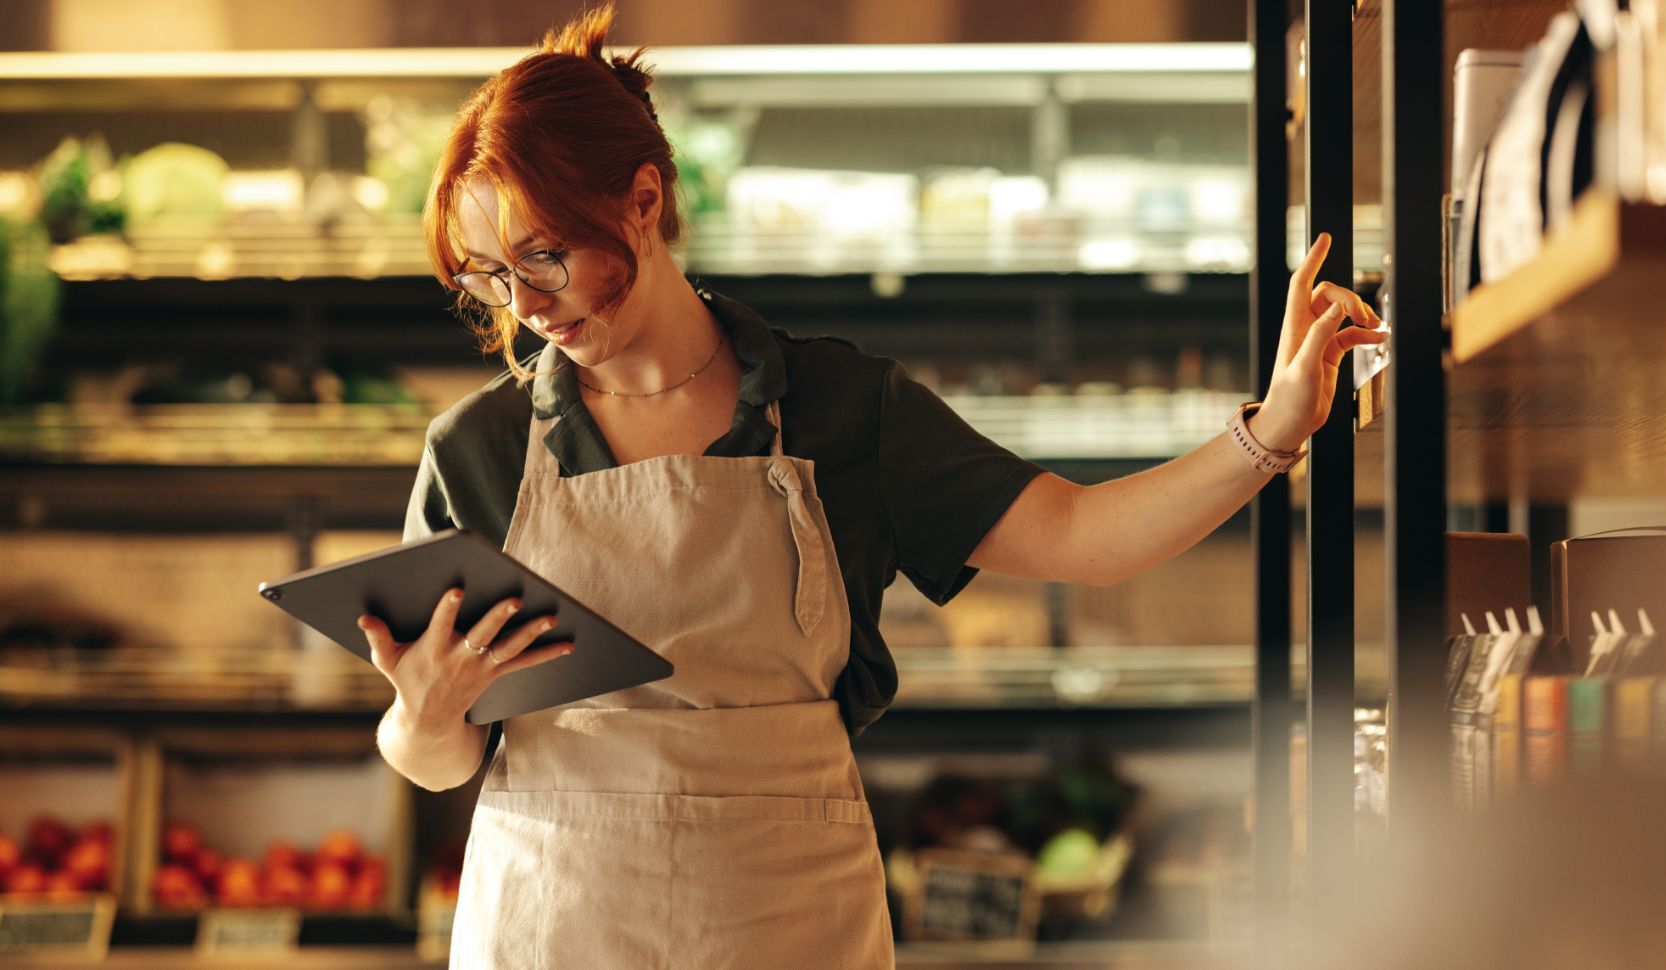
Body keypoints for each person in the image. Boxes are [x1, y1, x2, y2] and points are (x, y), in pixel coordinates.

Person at [357, 5, 1386, 967]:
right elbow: (435, 758)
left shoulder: (844, 409)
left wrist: (1274, 428)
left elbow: (1082, 535)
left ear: (640, 201)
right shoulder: (477, 454)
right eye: (486, 275)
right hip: (556, 923)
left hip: (787, 920)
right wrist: (425, 713)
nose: (522, 305)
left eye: (544, 258)